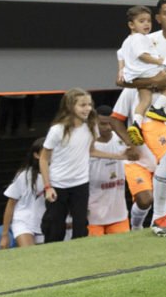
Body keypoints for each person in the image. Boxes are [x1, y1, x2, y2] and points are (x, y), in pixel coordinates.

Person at [112, 0, 166, 234]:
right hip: (156, 119)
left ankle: (163, 221)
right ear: (158, 18)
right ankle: (157, 220)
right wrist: (154, 80)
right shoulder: (146, 40)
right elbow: (120, 80)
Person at [40, 89, 131, 243]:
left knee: (81, 228)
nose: (87, 108)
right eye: (82, 105)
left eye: (89, 104)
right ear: (70, 106)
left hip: (81, 184)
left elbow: (91, 151)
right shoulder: (57, 130)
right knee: (56, 229)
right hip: (58, 184)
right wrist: (48, 186)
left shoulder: (90, 127)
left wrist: (120, 156)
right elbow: (43, 158)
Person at [119, 6, 166, 142]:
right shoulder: (140, 38)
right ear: (131, 25)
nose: (146, 24)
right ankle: (157, 108)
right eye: (141, 21)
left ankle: (136, 124)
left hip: (134, 75)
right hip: (147, 71)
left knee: (145, 100)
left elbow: (120, 55)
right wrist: (160, 61)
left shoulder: (127, 40)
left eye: (148, 21)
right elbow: (143, 56)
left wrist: (121, 70)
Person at [88, 106, 137, 236]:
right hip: (93, 216)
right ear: (94, 122)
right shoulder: (86, 145)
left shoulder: (122, 139)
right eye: (103, 124)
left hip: (119, 214)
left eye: (110, 123)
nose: (108, 127)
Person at [0, 137, 47, 248]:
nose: (51, 154)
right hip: (23, 221)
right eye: (46, 151)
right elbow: (11, 203)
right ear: (36, 155)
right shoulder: (25, 175)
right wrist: (5, 235)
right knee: (29, 254)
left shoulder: (59, 174)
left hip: (45, 223)